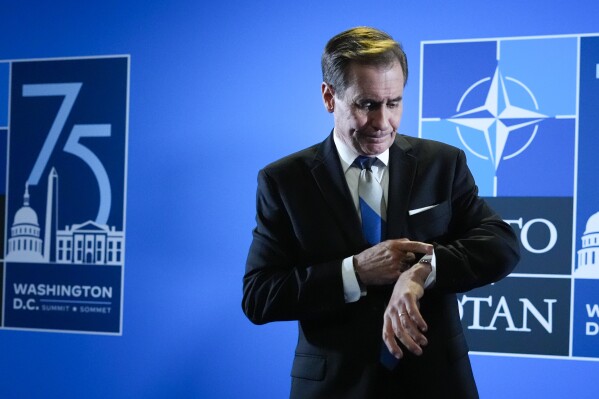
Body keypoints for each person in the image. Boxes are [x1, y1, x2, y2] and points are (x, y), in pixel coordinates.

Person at [242, 26, 520, 399]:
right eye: (367, 104)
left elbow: (501, 243)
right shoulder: (284, 181)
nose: (383, 123)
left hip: (435, 383)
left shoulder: (442, 163)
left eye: (394, 103)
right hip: (334, 388)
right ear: (329, 97)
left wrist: (424, 271)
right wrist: (355, 271)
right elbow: (260, 295)